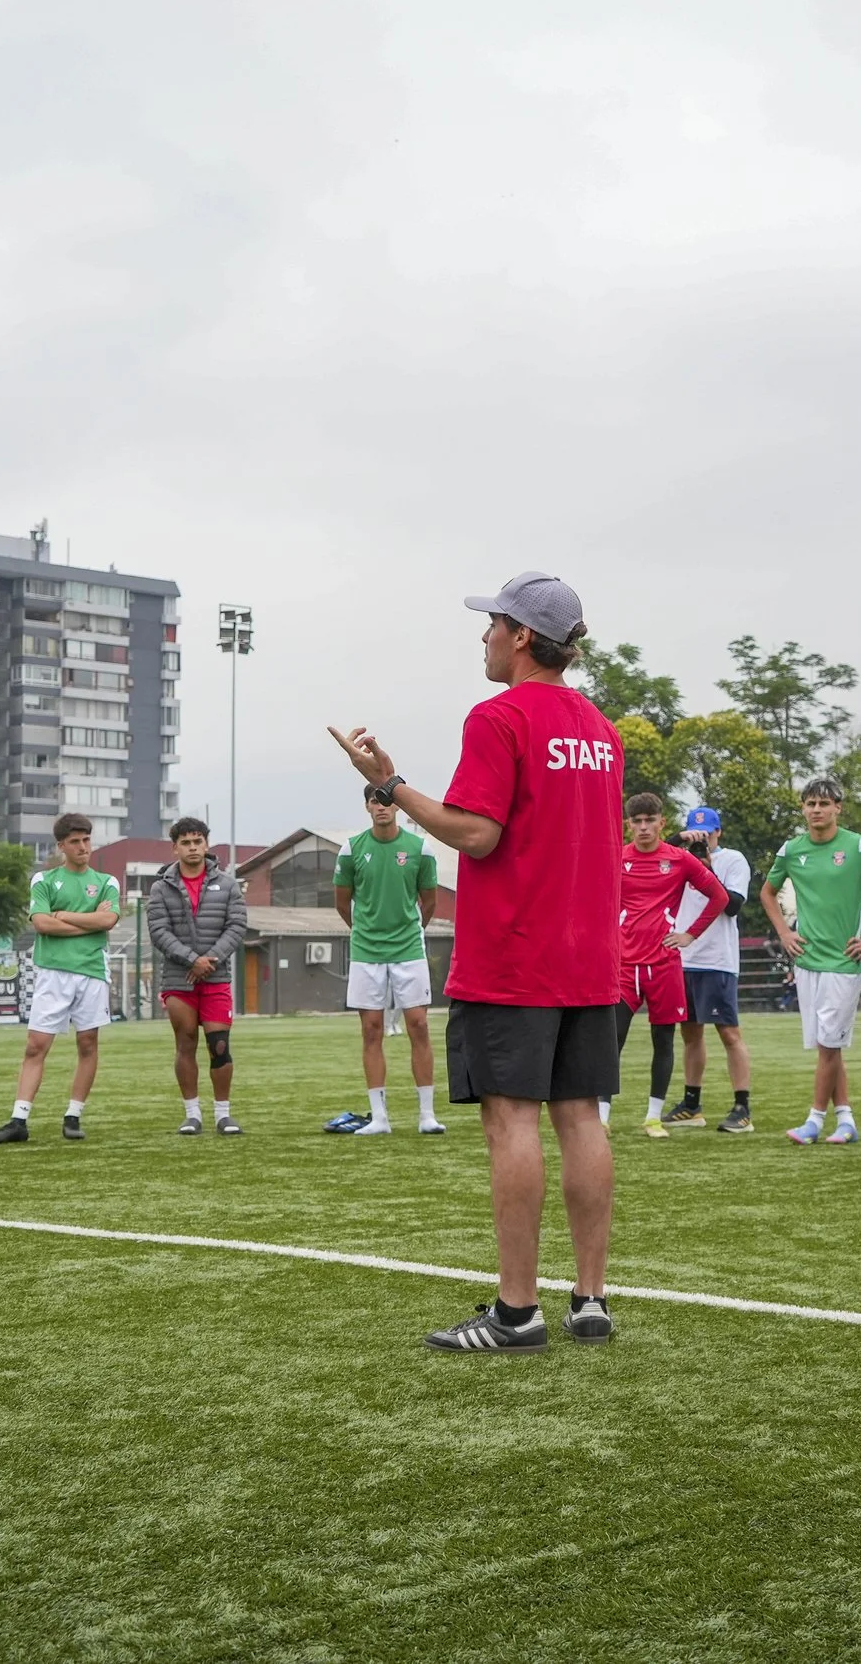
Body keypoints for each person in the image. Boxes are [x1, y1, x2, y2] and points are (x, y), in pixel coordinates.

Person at [328, 569, 623, 1352]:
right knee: (583, 1116)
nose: (484, 635)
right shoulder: (600, 728)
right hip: (592, 955)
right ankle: (590, 1299)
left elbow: (475, 832)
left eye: (493, 622)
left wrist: (387, 782)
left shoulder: (499, 717)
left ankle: (517, 1312)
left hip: (517, 957)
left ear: (523, 635)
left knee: (512, 1120)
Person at [762, 777, 861, 1146]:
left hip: (844, 962)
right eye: (810, 804)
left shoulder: (859, 846)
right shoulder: (791, 849)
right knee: (829, 1045)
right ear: (803, 809)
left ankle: (813, 1120)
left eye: (824, 804)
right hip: (806, 961)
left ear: (838, 807)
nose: (816, 810)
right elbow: (767, 892)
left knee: (828, 1045)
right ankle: (846, 1121)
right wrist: (784, 933)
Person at [0, 812, 120, 1145]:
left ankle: (73, 1115)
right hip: (52, 972)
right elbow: (42, 924)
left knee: (87, 1042)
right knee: (36, 1045)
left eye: (87, 840)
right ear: (61, 845)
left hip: (92, 971)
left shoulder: (107, 882)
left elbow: (108, 920)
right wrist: (88, 922)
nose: (83, 847)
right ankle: (19, 1120)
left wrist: (66, 916)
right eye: (75, 841)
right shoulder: (44, 880)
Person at [608, 792, 731, 1138]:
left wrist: (690, 934)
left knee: (663, 1041)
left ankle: (653, 1117)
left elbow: (719, 897)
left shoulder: (679, 860)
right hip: (622, 966)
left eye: (650, 820)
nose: (644, 827)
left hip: (663, 964)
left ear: (663, 823)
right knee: (609, 1041)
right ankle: (601, 1116)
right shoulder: (616, 858)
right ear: (629, 824)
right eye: (637, 821)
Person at [328, 784, 445, 1137]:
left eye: (386, 802)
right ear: (366, 807)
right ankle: (379, 1118)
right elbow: (342, 903)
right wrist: (364, 931)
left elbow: (429, 902)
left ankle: (427, 1115)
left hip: (409, 949)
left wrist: (412, 933)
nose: (380, 807)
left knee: (419, 1026)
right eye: (373, 802)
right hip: (367, 952)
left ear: (397, 807)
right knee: (371, 1030)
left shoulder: (419, 848)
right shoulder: (351, 849)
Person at [146, 816, 247, 1136]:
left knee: (219, 1045)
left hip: (216, 978)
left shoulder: (228, 884)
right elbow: (158, 932)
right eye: (186, 842)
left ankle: (223, 1114)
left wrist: (210, 960)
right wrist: (191, 960)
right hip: (179, 979)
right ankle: (192, 1114)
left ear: (207, 844)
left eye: (198, 841)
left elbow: (237, 926)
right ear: (175, 848)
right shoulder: (161, 888)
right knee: (185, 1041)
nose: (193, 847)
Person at [671, 805, 754, 1133]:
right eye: (696, 834)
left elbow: (732, 906)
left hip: (716, 959)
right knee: (689, 1033)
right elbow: (650, 857)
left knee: (729, 1032)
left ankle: (742, 1108)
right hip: (683, 957)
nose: (702, 840)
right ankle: (692, 1104)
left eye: (708, 834)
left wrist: (707, 869)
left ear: (719, 832)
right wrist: (679, 840)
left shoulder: (733, 860)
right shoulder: (678, 858)